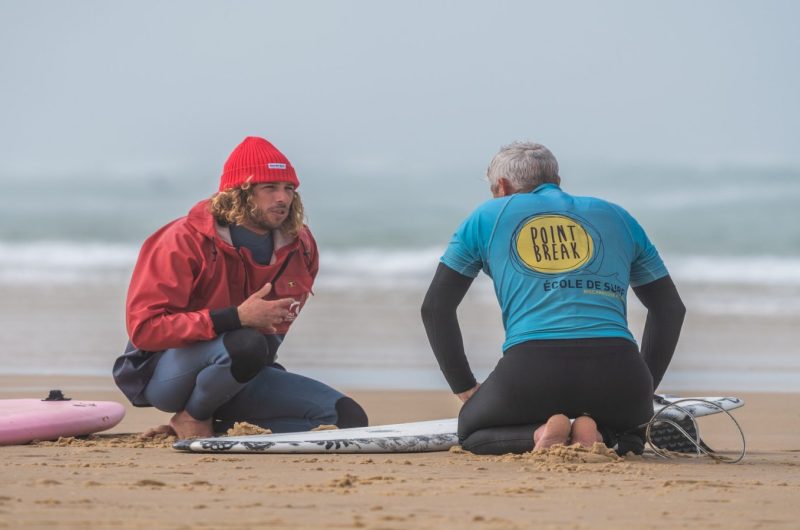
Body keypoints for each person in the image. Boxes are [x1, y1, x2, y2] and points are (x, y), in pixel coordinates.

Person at [421, 142, 685, 455]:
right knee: (631, 435)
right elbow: (670, 309)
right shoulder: (617, 216)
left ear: (501, 187)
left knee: (471, 431)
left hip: (530, 374)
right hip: (618, 372)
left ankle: (540, 433)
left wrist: (464, 386)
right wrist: (642, 388)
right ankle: (599, 434)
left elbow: (435, 308)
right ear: (556, 181)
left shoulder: (486, 216)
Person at [113, 136, 368, 439]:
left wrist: (257, 369)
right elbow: (145, 330)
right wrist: (235, 318)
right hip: (167, 374)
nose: (283, 198)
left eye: (289, 188)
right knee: (246, 342)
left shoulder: (301, 246)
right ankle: (193, 416)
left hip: (242, 368)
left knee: (347, 420)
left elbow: (273, 335)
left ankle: (211, 428)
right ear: (240, 193)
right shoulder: (182, 240)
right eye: (269, 188)